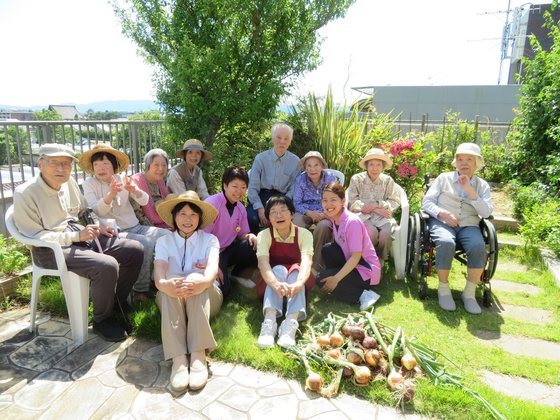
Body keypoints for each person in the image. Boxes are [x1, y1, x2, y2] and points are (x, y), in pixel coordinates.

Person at [13, 144, 144, 342]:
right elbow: (35, 236)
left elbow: (84, 211)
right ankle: (102, 319)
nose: (61, 169)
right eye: (54, 163)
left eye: (66, 164)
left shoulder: (69, 182)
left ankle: (115, 301)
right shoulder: (25, 193)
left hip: (80, 236)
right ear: (40, 164)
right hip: (50, 249)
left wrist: (98, 226)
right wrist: (76, 237)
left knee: (134, 249)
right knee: (106, 265)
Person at [79, 143, 171, 304]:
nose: (100, 168)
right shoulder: (89, 184)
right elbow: (96, 210)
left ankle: (155, 278)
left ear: (114, 166)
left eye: (105, 163)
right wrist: (110, 194)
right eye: (96, 164)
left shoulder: (123, 179)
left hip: (135, 226)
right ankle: (140, 290)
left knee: (168, 236)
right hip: (114, 231)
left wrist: (134, 190)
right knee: (146, 243)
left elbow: (145, 200)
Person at [154, 191, 223, 392]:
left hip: (207, 296)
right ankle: (179, 360)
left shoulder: (210, 240)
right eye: (182, 214)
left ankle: (198, 356)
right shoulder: (164, 242)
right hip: (172, 298)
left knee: (195, 280)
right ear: (174, 217)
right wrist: (168, 285)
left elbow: (210, 274)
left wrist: (197, 283)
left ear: (200, 218)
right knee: (169, 287)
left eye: (193, 214)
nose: (187, 219)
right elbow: (159, 275)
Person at [422, 142, 492, 315]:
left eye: (469, 159)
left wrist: (470, 190)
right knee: (445, 242)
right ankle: (444, 289)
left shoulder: (482, 185)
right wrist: (442, 213)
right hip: (442, 222)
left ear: (477, 163)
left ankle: (469, 294)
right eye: (460, 159)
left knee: (478, 246)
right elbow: (427, 202)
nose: (464, 163)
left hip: (469, 224)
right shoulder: (443, 178)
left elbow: (486, 212)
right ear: (455, 162)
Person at [255, 196, 314, 349]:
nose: (278, 216)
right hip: (271, 283)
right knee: (279, 269)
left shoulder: (304, 234)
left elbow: (307, 261)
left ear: (292, 213)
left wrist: (300, 282)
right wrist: (275, 283)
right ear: (268, 218)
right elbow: (263, 263)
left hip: (297, 283)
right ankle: (269, 322)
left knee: (296, 269)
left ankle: (290, 323)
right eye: (273, 212)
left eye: (283, 211)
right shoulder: (264, 235)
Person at [317, 182, 381, 311]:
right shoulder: (335, 219)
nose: (328, 204)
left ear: (343, 201)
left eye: (333, 200)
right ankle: (345, 285)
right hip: (352, 264)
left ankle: (364, 294)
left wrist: (335, 279)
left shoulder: (352, 222)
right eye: (325, 200)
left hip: (366, 271)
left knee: (321, 279)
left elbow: (356, 257)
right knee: (328, 249)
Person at [203, 166, 258, 297]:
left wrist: (250, 236)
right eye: (235, 186)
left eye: (243, 187)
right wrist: (213, 263)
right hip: (210, 252)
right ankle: (220, 271)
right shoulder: (211, 204)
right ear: (225, 185)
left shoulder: (240, 208)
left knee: (254, 243)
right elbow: (202, 238)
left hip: (228, 249)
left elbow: (242, 233)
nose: (239, 191)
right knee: (223, 291)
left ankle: (238, 275)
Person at [347, 148, 401, 267]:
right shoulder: (356, 179)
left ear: (383, 167)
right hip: (362, 215)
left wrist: (378, 204)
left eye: (378, 165)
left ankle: (380, 259)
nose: (375, 168)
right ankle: (367, 259)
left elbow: (395, 201)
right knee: (371, 233)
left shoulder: (387, 180)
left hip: (382, 216)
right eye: (371, 164)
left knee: (385, 235)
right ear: (366, 166)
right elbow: (352, 201)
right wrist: (374, 208)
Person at [247, 124, 300, 234]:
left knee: (281, 220)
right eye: (279, 137)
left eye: (286, 139)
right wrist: (260, 209)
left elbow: (293, 188)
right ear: (272, 138)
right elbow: (252, 188)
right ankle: (255, 248)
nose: (282, 141)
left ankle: (278, 249)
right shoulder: (260, 158)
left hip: (283, 198)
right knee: (251, 219)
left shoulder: (296, 161)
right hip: (261, 196)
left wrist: (283, 203)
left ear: (290, 141)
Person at [292, 151, 338, 273]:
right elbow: (296, 202)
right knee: (296, 224)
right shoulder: (301, 179)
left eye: (316, 165)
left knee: (323, 228)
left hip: (326, 211)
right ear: (305, 167)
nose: (313, 169)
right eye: (309, 165)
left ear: (322, 166)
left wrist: (325, 213)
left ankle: (316, 265)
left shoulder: (330, 178)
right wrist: (309, 213)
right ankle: (295, 261)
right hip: (305, 211)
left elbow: (334, 200)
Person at [131, 149, 170, 229]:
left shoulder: (160, 181)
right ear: (148, 166)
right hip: (145, 227)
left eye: (164, 165)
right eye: (156, 165)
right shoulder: (136, 181)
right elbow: (137, 214)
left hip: (164, 222)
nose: (161, 169)